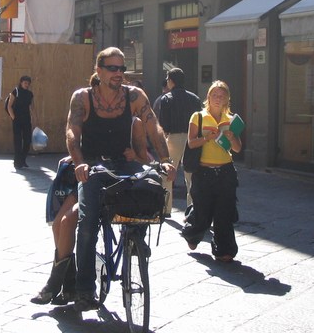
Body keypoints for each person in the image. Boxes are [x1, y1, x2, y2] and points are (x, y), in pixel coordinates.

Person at [65, 47, 176, 311]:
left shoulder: (134, 95)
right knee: (88, 223)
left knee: (148, 189)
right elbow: (72, 132)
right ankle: (84, 290)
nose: (118, 73)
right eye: (112, 68)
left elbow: (153, 125)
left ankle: (136, 239)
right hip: (93, 166)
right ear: (99, 70)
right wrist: (80, 163)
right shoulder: (82, 98)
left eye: (121, 68)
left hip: (124, 162)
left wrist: (165, 160)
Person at [30, 115, 151, 305]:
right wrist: (75, 159)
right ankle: (68, 283)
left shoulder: (133, 123)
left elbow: (147, 159)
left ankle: (56, 284)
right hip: (89, 178)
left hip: (115, 185)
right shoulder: (90, 116)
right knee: (57, 224)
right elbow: (78, 144)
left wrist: (135, 156)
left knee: (68, 221)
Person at [181, 80, 242, 263]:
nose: (218, 99)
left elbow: (237, 148)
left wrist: (232, 137)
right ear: (208, 97)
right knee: (203, 212)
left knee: (225, 212)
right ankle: (192, 234)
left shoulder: (231, 119)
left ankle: (224, 250)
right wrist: (206, 138)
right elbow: (191, 143)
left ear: (227, 99)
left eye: (221, 96)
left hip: (226, 171)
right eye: (214, 95)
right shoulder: (198, 117)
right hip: (203, 172)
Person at [158, 68, 202, 211]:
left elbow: (163, 124)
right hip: (192, 138)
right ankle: (192, 209)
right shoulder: (195, 98)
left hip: (173, 138)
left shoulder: (166, 98)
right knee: (191, 176)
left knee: (167, 173)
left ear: (171, 81)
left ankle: (166, 209)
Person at [7, 75, 34, 169]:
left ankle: (22, 160)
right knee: (18, 142)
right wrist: (13, 117)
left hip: (27, 119)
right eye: (25, 83)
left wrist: (34, 118)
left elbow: (31, 107)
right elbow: (9, 106)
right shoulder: (15, 91)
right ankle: (17, 162)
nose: (27, 85)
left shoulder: (30, 94)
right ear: (21, 83)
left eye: (28, 83)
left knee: (27, 141)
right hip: (17, 120)